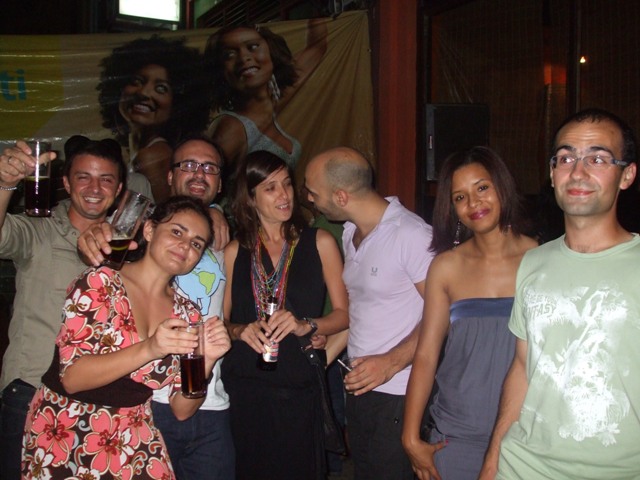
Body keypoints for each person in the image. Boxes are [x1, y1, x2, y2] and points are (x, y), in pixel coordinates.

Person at [478, 108, 640, 480]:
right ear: (552, 174)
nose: (578, 172)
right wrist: (493, 460)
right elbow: (522, 368)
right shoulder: (533, 262)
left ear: (627, 175)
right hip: (523, 468)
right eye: (566, 158)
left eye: (597, 159)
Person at [21, 196, 231, 479]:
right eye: (177, 232)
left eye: (196, 244)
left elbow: (182, 409)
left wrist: (207, 362)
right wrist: (150, 348)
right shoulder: (100, 282)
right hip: (66, 427)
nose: (185, 246)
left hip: (132, 432)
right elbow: (71, 377)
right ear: (149, 230)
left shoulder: (187, 313)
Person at [77, 135, 234, 479]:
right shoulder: (130, 237)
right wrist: (91, 235)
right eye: (188, 165)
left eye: (209, 168)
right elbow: (74, 373)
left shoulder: (225, 244)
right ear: (169, 176)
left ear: (221, 183)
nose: (199, 173)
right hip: (139, 406)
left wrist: (217, 350)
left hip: (203, 397)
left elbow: (226, 316)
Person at [401, 147, 538, 480]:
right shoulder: (446, 267)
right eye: (460, 197)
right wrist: (410, 436)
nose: (474, 203)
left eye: (482, 188)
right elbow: (426, 355)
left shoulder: (540, 259)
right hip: (456, 434)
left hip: (526, 432)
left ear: (502, 186)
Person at [304, 146, 434, 479]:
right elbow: (364, 310)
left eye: (313, 192)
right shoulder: (351, 233)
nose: (309, 198)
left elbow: (443, 314)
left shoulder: (411, 234)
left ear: (341, 196)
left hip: (401, 391)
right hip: (362, 387)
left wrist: (390, 362)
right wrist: (323, 356)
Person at [0, 138, 124, 480]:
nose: (95, 188)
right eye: (84, 177)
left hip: (99, 402)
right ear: (66, 183)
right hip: (32, 390)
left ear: (119, 189)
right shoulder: (39, 230)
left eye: (106, 179)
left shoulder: (126, 247)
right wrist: (5, 183)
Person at [221, 150, 348, 479]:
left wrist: (307, 325)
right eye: (271, 187)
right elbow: (220, 322)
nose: (284, 195)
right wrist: (239, 331)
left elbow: (345, 314)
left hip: (297, 388)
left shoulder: (319, 242)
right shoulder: (234, 251)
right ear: (250, 198)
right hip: (246, 390)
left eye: (287, 184)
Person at [204, 19, 327, 184]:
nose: (244, 58)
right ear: (221, 71)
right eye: (229, 55)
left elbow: (317, 47)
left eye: (253, 46)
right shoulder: (232, 128)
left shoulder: (277, 102)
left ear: (271, 51)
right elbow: (205, 181)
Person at [98, 35, 209, 202]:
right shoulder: (142, 150)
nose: (143, 93)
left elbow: (165, 211)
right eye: (136, 81)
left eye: (161, 88)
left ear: (178, 104)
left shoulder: (152, 157)